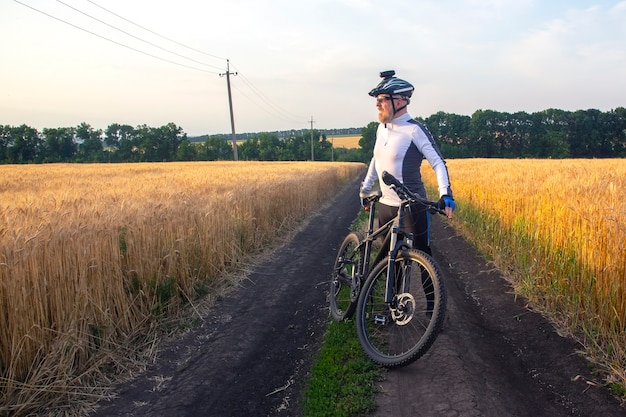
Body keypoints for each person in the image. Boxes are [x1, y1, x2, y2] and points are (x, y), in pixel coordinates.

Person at [360, 70, 456, 256]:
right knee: (389, 262)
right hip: (386, 206)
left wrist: (445, 194)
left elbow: (437, 162)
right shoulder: (382, 128)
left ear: (399, 101)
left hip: (412, 206)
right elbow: (376, 159)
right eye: (377, 99)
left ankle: (431, 287)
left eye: (382, 99)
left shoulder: (414, 130)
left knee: (423, 255)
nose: (377, 104)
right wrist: (364, 190)